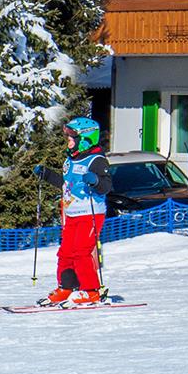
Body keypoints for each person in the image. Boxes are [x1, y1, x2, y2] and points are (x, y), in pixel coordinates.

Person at [32, 117, 113, 305]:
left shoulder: (97, 160)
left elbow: (106, 186)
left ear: (85, 138)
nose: (68, 140)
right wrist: (48, 175)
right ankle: (66, 287)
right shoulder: (70, 160)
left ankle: (91, 290)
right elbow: (65, 185)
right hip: (72, 214)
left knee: (82, 252)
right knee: (66, 253)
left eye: (72, 137)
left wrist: (95, 180)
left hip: (90, 213)